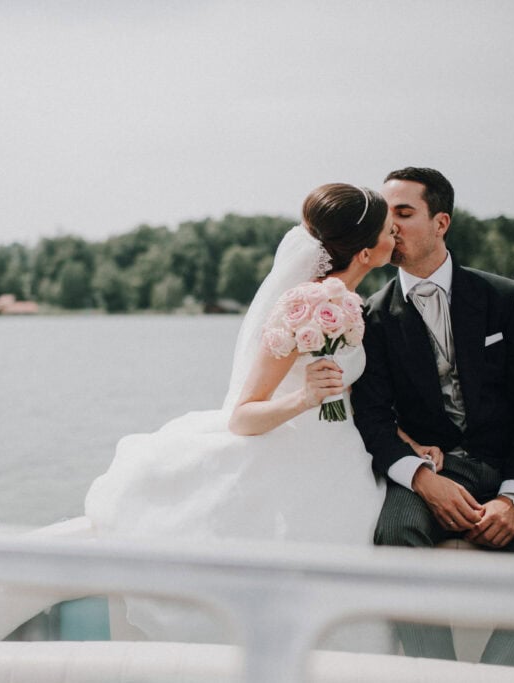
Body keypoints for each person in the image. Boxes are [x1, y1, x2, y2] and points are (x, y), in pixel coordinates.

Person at [85, 183, 401, 650]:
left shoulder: (351, 304)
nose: (396, 236)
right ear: (367, 253)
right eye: (390, 230)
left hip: (341, 455)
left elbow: (350, 396)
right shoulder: (299, 310)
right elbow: (243, 417)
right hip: (292, 453)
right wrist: (305, 398)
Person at [351, 167, 514, 668]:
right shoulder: (370, 317)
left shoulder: (505, 298)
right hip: (429, 471)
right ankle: (435, 674)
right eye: (386, 216)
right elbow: (372, 417)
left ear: (441, 222)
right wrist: (424, 480)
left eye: (404, 213)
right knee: (396, 537)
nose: (391, 227)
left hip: (509, 466)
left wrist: (513, 497)